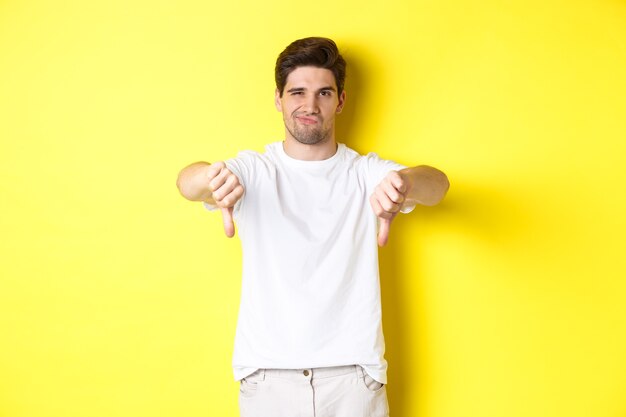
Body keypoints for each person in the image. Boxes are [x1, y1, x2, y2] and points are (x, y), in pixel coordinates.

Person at [176, 37, 449, 417]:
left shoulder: (365, 172)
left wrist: (405, 183)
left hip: (354, 381)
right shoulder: (254, 170)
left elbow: (438, 186)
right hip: (268, 379)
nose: (309, 105)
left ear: (340, 101)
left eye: (323, 92)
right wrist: (210, 178)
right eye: (297, 92)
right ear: (278, 99)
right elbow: (187, 183)